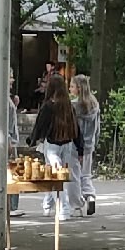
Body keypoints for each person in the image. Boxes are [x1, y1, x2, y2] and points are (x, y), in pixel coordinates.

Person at [30, 77, 83, 220]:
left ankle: (62, 209)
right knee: (58, 176)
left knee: (55, 177)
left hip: (52, 145)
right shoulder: (68, 106)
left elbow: (39, 126)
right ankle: (47, 205)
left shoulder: (48, 106)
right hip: (68, 144)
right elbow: (76, 128)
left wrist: (32, 140)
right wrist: (80, 148)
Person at [72, 75, 101, 215]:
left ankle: (78, 203)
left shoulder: (74, 106)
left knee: (75, 175)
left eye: (72, 86)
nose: (70, 89)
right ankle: (90, 195)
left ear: (78, 88)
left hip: (76, 145)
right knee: (86, 174)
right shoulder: (94, 104)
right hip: (89, 144)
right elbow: (97, 128)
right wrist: (94, 141)